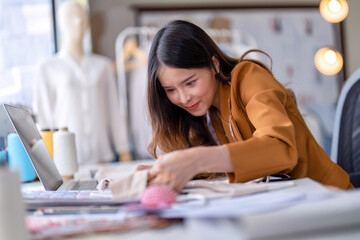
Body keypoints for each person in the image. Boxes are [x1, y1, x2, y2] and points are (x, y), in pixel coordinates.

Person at [141, 20, 353, 191]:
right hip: (287, 204)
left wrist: (197, 159)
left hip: (329, 196)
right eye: (170, 90)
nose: (184, 98)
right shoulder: (207, 114)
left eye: (190, 83)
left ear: (214, 64)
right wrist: (164, 171)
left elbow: (281, 149)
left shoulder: (248, 76)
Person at [33, 2, 130, 164]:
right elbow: (44, 117)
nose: (78, 21)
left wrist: (124, 150)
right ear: (60, 23)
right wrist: (45, 161)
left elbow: (114, 111)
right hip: (65, 160)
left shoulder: (103, 66)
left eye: (82, 18)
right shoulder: (47, 68)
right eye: (71, 17)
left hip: (103, 157)